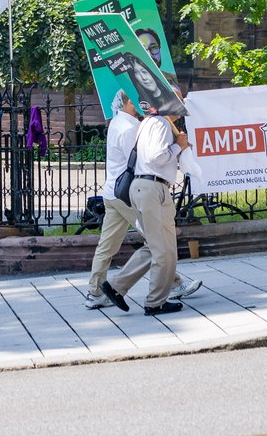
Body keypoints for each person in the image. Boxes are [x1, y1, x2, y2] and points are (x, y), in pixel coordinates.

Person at [85, 91, 201, 311]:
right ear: (129, 102)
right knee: (158, 245)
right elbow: (148, 158)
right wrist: (178, 146)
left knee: (108, 246)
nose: (141, 104)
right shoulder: (133, 128)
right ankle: (170, 286)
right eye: (135, 101)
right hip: (130, 193)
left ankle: (96, 291)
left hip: (113, 192)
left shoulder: (119, 123)